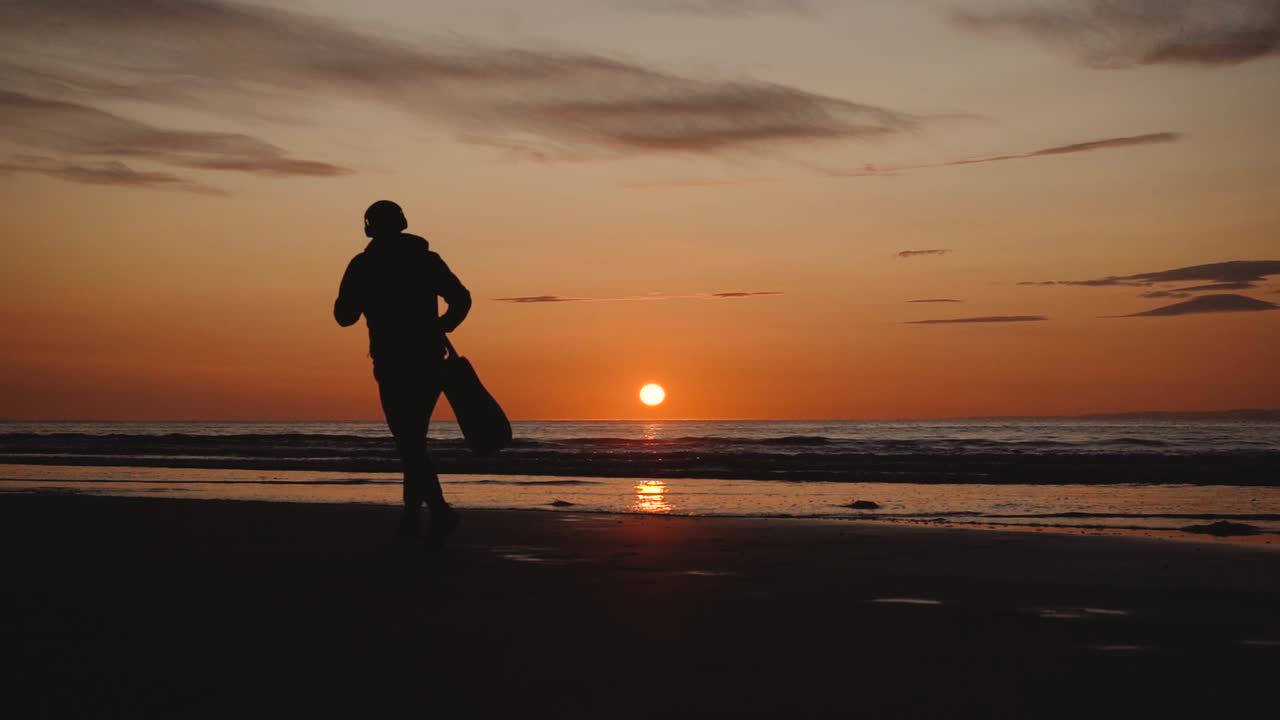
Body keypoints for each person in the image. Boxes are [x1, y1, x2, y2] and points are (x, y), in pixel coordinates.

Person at [334, 200, 471, 548]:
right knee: (413, 440)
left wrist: (365, 298)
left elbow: (344, 316)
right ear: (402, 223)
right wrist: (440, 326)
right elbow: (461, 299)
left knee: (409, 441)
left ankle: (435, 512)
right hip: (428, 359)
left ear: (369, 227)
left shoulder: (364, 265)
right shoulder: (425, 260)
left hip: (393, 361)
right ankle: (416, 517)